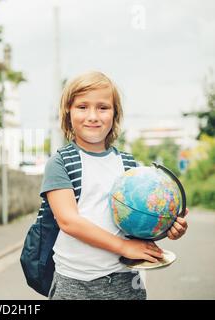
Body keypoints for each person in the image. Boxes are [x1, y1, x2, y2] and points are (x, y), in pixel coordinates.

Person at [42, 71, 189, 300]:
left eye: (103, 107)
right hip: (75, 285)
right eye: (82, 107)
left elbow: (138, 222)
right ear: (68, 112)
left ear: (115, 114)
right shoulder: (60, 163)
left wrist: (165, 227)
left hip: (126, 282)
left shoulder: (130, 166)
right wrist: (123, 247)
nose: (93, 116)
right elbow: (68, 221)